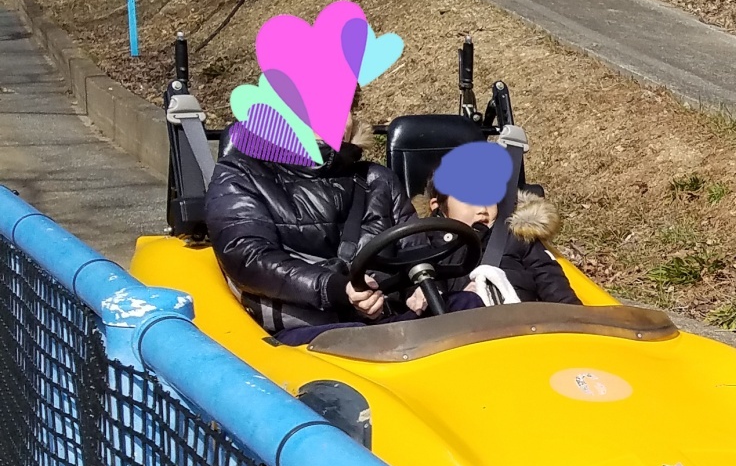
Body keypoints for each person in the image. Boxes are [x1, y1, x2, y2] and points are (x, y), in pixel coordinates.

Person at [206, 115, 412, 339]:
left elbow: (416, 249)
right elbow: (248, 256)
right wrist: (335, 288)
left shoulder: (378, 179)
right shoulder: (241, 175)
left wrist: (425, 283)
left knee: (455, 306)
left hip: (389, 322)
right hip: (301, 333)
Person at [418, 140, 581, 310]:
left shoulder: (516, 236)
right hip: (465, 329)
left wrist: (574, 315)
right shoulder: (427, 245)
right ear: (437, 206)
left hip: (527, 326)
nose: (482, 209)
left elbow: (550, 280)